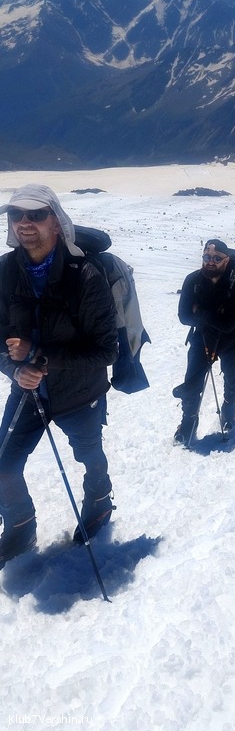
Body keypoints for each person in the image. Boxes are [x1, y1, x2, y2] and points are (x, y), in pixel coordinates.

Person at [0, 184, 118, 566]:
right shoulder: (6, 271)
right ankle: (20, 525)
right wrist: (15, 370)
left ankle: (99, 501)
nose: (24, 222)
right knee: (3, 465)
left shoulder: (85, 275)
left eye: (35, 214)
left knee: (89, 456)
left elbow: (106, 350)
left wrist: (38, 357)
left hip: (80, 393)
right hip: (29, 392)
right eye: (16, 214)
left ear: (56, 220)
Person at [173, 239, 235, 444]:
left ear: (227, 260)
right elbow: (184, 317)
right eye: (207, 257)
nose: (211, 261)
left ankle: (229, 406)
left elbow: (228, 325)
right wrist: (216, 315)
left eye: (217, 258)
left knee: (232, 377)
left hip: (233, 339)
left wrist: (199, 311)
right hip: (203, 337)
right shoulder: (193, 280)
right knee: (192, 381)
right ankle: (189, 420)